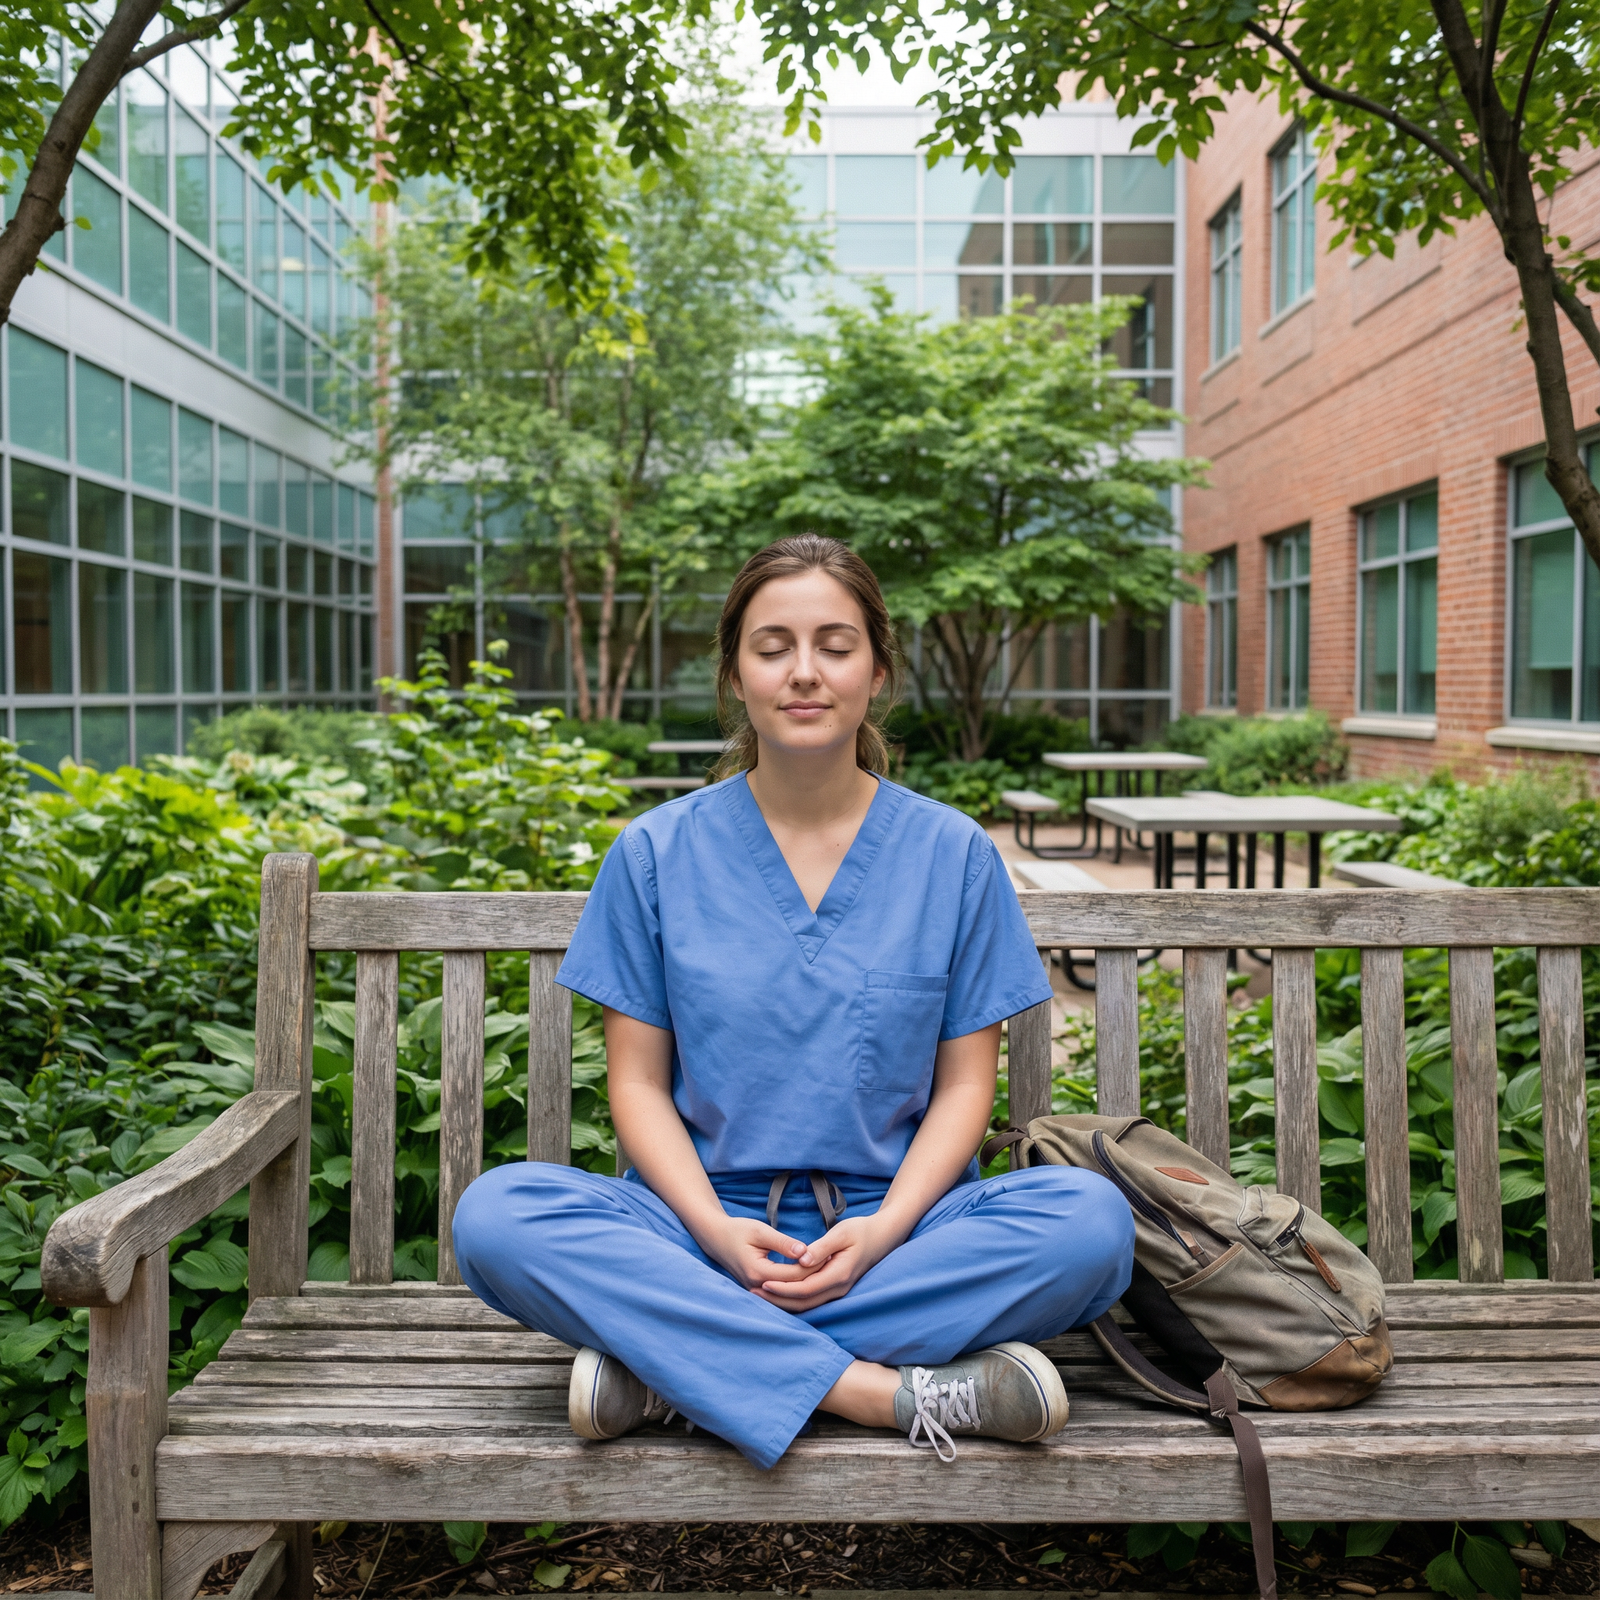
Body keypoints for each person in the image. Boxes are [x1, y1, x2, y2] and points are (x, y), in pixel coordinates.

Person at [452, 535, 1134, 1471]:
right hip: (696, 1226)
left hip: (902, 1230)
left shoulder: (953, 855)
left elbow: (966, 1091)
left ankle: (669, 1370)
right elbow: (640, 1088)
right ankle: (880, 1392)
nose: (804, 673)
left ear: (878, 669)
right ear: (735, 674)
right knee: (497, 1216)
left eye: (835, 644)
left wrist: (884, 1229)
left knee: (1090, 1226)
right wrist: (716, 1234)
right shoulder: (653, 855)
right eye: (772, 646)